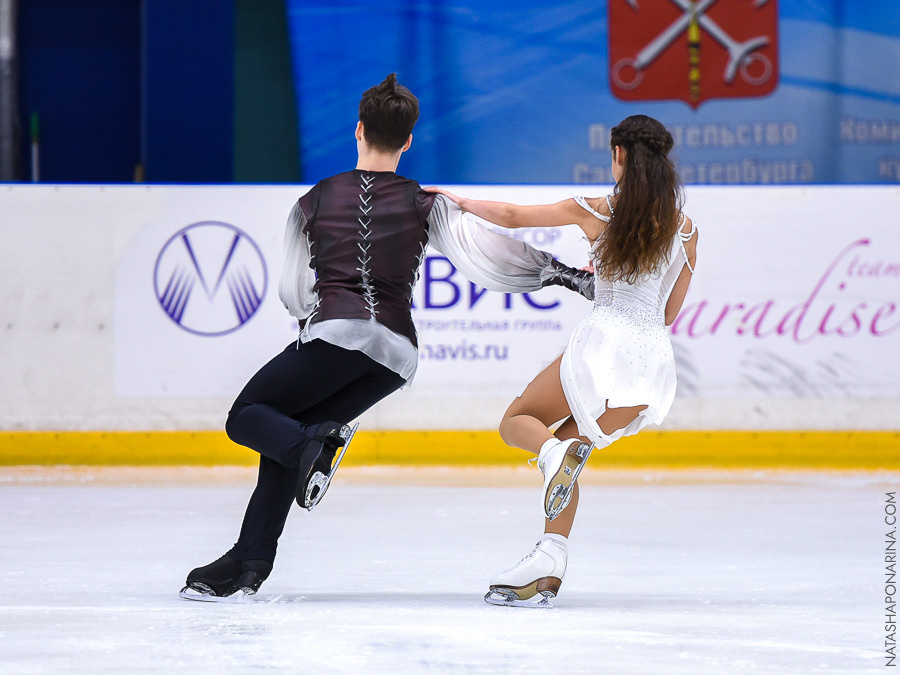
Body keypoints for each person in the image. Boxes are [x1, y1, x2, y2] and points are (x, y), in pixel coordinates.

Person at [181, 74, 593, 601]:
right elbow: (488, 254)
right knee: (287, 434)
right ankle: (249, 561)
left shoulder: (313, 201)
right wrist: (564, 275)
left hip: (336, 332)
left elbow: (293, 289)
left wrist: (316, 320)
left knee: (246, 416)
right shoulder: (426, 202)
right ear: (408, 141)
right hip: (396, 355)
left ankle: (314, 447)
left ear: (358, 130)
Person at [427, 114, 699, 607]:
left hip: (604, 341)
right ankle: (548, 564)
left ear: (619, 155)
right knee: (571, 448)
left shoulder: (595, 209)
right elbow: (670, 313)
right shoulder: (687, 230)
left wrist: (458, 201)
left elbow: (510, 217)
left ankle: (552, 457)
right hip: (649, 364)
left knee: (519, 423)